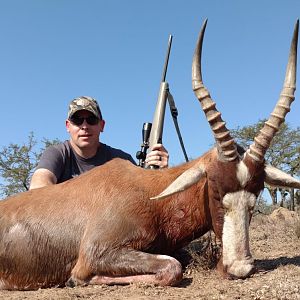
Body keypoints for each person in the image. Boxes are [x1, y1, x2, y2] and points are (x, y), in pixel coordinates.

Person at [30, 96, 169, 189]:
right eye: (77, 121)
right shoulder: (56, 154)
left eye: (91, 120)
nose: (84, 126)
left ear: (102, 125)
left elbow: (144, 196)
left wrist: (160, 176)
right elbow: (38, 187)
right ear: (68, 126)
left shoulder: (121, 159)